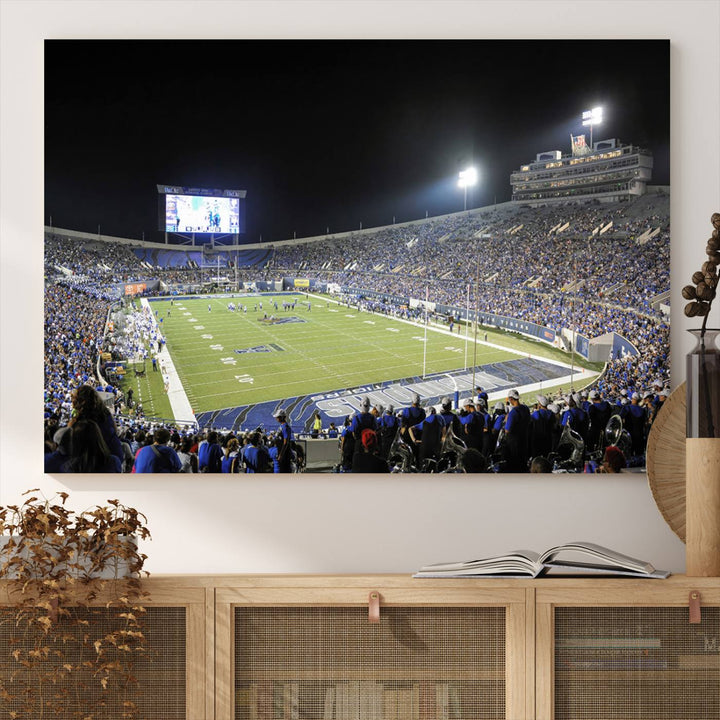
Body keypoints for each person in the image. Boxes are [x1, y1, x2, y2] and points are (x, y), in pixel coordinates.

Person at [68, 385, 124, 467]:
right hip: (114, 456)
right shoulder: (105, 412)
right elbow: (114, 430)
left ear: (83, 401)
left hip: (99, 461)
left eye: (75, 399)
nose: (73, 401)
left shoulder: (83, 421)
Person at [501, 389, 530, 473]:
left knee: (514, 465)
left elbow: (507, 430)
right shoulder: (526, 408)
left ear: (511, 399)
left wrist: (507, 420)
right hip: (524, 439)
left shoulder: (513, 412)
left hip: (514, 443)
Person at [529, 395, 555, 460]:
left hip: (538, 440)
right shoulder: (551, 413)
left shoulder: (536, 413)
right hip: (549, 439)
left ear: (540, 404)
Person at [274, 408, 294, 473]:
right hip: (280, 452)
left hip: (284, 455)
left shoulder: (285, 427)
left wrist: (281, 455)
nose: (276, 418)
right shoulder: (282, 426)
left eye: (278, 417)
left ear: (282, 417)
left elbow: (285, 442)